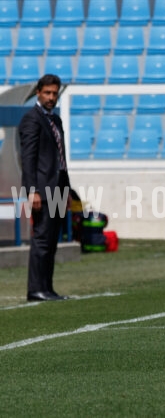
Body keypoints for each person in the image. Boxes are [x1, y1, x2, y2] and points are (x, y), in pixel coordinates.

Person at [19, 74, 71, 302]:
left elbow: (62, 159)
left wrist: (67, 191)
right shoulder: (32, 119)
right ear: (38, 92)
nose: (51, 97)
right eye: (47, 93)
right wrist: (32, 190)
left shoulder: (55, 120)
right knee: (41, 239)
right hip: (42, 189)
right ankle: (35, 290)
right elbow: (28, 158)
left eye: (54, 93)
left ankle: (47, 288)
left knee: (51, 240)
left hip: (59, 188)